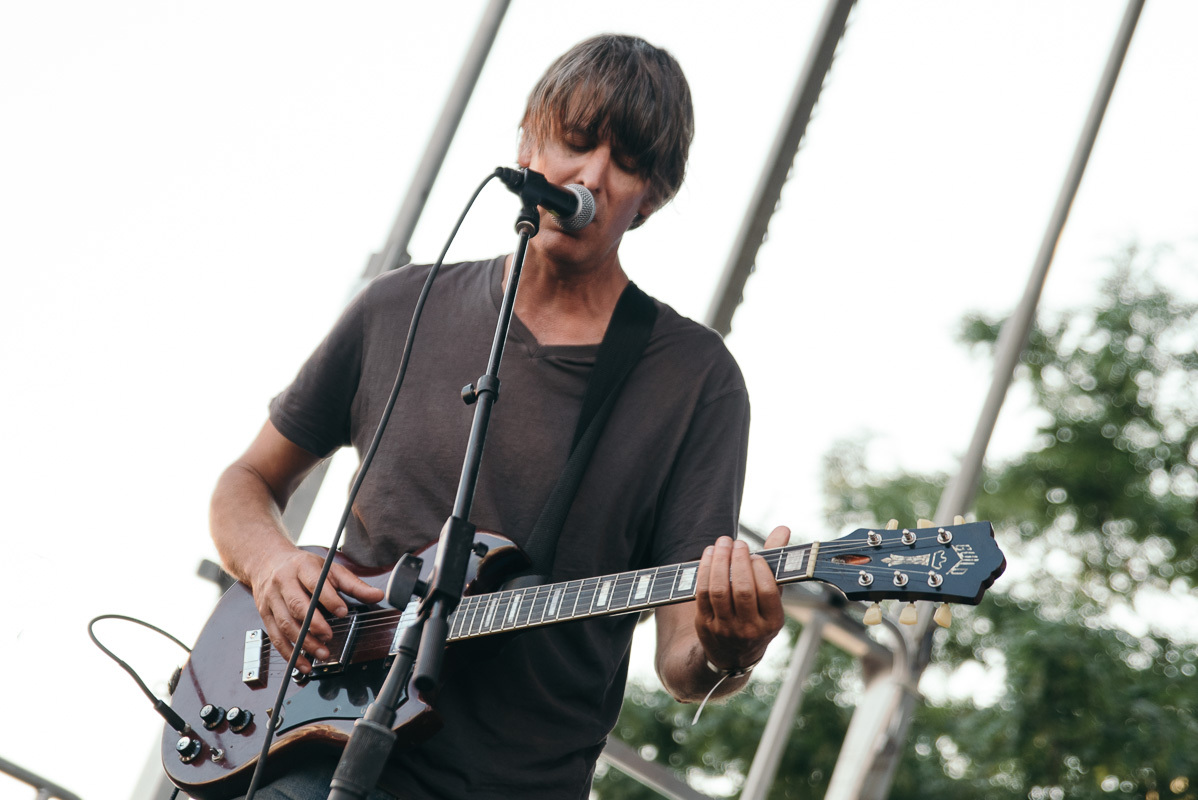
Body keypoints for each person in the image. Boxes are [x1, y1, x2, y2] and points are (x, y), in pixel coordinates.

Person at [210, 33, 789, 800]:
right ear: (527, 140)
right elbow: (246, 483)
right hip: (316, 747)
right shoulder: (399, 305)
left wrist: (730, 649)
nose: (589, 176)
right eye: (576, 142)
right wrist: (271, 562)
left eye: (623, 163)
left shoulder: (693, 382)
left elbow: (683, 659)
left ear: (651, 195)